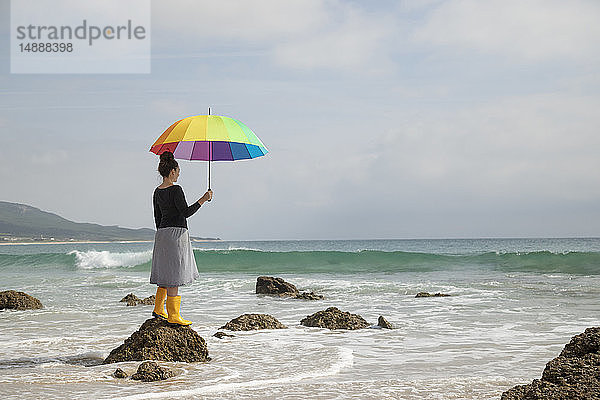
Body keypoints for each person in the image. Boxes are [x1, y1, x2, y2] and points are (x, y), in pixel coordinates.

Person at [150, 151, 213, 326]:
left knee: (165, 272)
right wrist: (204, 198)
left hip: (161, 234)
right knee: (174, 275)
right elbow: (186, 212)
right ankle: (173, 315)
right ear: (172, 172)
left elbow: (157, 217)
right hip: (176, 235)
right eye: (178, 171)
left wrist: (163, 234)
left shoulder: (157, 192)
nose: (178, 174)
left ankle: (158, 309)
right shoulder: (176, 189)